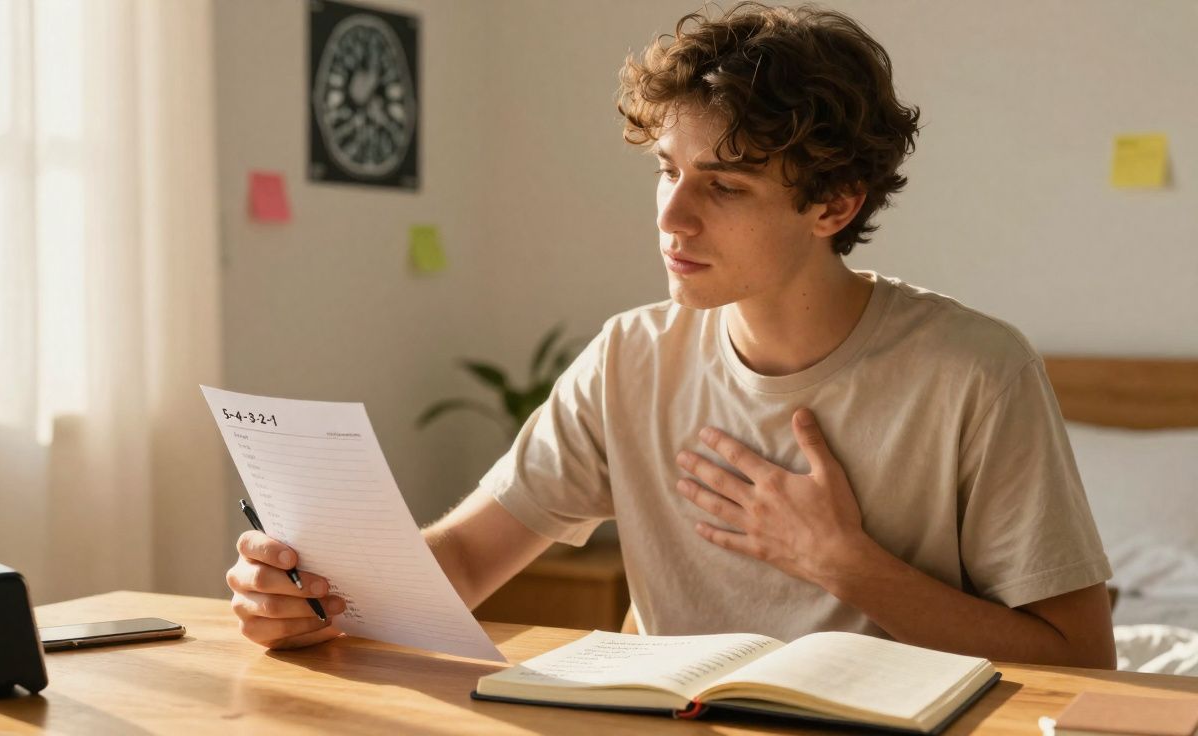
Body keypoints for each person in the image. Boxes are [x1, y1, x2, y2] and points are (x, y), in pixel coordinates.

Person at [226, 2, 1116, 667]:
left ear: (834, 204)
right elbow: (460, 559)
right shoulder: (629, 358)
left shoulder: (978, 372)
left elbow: (1082, 662)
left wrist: (844, 564)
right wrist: (314, 596)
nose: (673, 218)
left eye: (724, 187)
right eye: (666, 172)